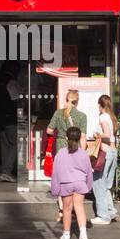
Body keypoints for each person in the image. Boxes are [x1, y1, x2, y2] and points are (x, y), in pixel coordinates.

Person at [47, 89, 88, 221]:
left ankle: (62, 209)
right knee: (75, 176)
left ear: (66, 100)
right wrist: (83, 153)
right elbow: (82, 137)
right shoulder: (82, 116)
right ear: (77, 102)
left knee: (61, 176)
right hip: (75, 148)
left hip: (61, 146)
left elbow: (49, 130)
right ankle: (75, 208)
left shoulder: (58, 113)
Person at [50, 125, 94, 239]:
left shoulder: (61, 153)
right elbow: (89, 172)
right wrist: (88, 186)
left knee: (67, 209)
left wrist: (55, 190)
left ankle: (66, 235)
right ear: (80, 138)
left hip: (66, 184)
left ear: (66, 138)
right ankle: (83, 234)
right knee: (79, 207)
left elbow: (56, 173)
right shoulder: (83, 154)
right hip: (80, 183)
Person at [0, 64, 21, 183]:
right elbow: (15, 99)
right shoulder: (10, 81)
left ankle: (5, 170)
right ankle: (7, 171)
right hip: (10, 118)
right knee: (14, 144)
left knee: (4, 144)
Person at [90, 94, 119, 225]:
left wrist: (97, 135)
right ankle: (110, 211)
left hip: (105, 152)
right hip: (113, 152)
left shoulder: (102, 117)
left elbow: (107, 134)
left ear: (100, 105)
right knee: (107, 184)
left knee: (98, 183)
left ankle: (103, 216)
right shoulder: (112, 117)